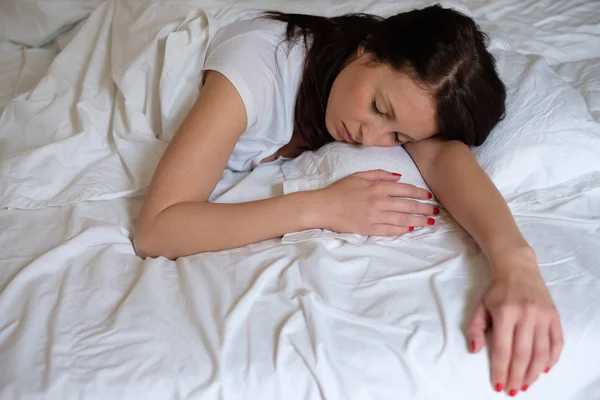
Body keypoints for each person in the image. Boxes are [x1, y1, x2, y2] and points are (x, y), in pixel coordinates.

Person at [133, 4, 563, 397]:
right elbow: (156, 230)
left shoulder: (397, 96)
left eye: (397, 138)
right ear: (367, 49)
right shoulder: (255, 72)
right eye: (378, 107)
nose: (372, 138)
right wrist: (320, 206)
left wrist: (515, 262)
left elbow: (446, 159)